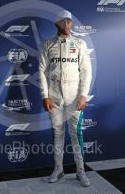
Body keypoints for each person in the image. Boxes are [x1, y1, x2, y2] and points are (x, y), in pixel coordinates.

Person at [38, 10, 92, 187]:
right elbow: (41, 71)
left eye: (71, 22)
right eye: (67, 22)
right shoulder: (48, 45)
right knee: (57, 134)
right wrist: (45, 96)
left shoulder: (79, 43)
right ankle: (58, 169)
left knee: (77, 134)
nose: (70, 25)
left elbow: (86, 71)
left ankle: (80, 171)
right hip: (54, 98)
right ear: (59, 23)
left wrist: (84, 94)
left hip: (75, 98)